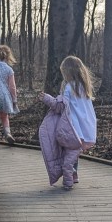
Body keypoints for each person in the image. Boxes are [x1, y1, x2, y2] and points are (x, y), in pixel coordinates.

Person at [38, 55, 97, 190]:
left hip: (72, 128)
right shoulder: (84, 87)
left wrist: (46, 98)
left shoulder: (69, 87)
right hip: (84, 128)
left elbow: (60, 107)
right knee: (73, 152)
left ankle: (68, 180)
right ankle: (74, 174)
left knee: (69, 154)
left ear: (68, 72)